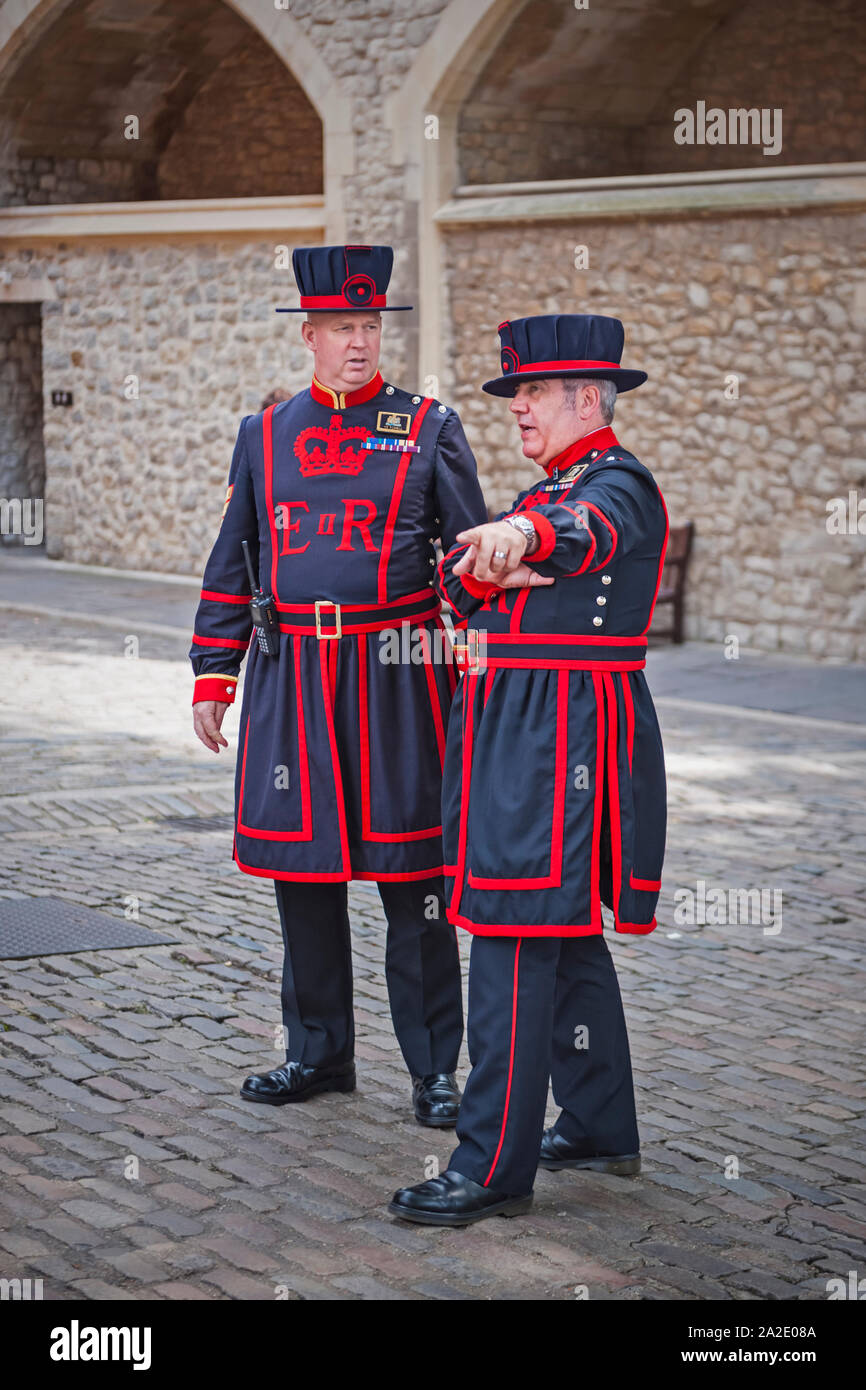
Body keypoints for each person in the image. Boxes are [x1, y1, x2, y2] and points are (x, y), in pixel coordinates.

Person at [190, 244, 487, 1126]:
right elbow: (232, 555)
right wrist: (215, 670)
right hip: (292, 677)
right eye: (341, 329)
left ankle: (435, 1071)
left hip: (401, 679)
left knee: (416, 877)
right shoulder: (265, 434)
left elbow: (471, 559)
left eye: (370, 326)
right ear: (309, 335)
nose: (358, 343)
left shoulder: (430, 426)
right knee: (302, 873)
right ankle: (317, 1054)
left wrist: (476, 647)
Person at [389, 313, 669, 1224]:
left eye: (534, 392)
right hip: (526, 729)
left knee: (511, 931)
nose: (517, 409)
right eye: (515, 394)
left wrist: (523, 544)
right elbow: (456, 584)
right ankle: (597, 1123)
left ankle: (488, 1167)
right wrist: (500, 550)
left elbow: (578, 535)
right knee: (559, 932)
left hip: (561, 742)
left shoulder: (615, 485)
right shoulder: (551, 486)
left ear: (588, 397)